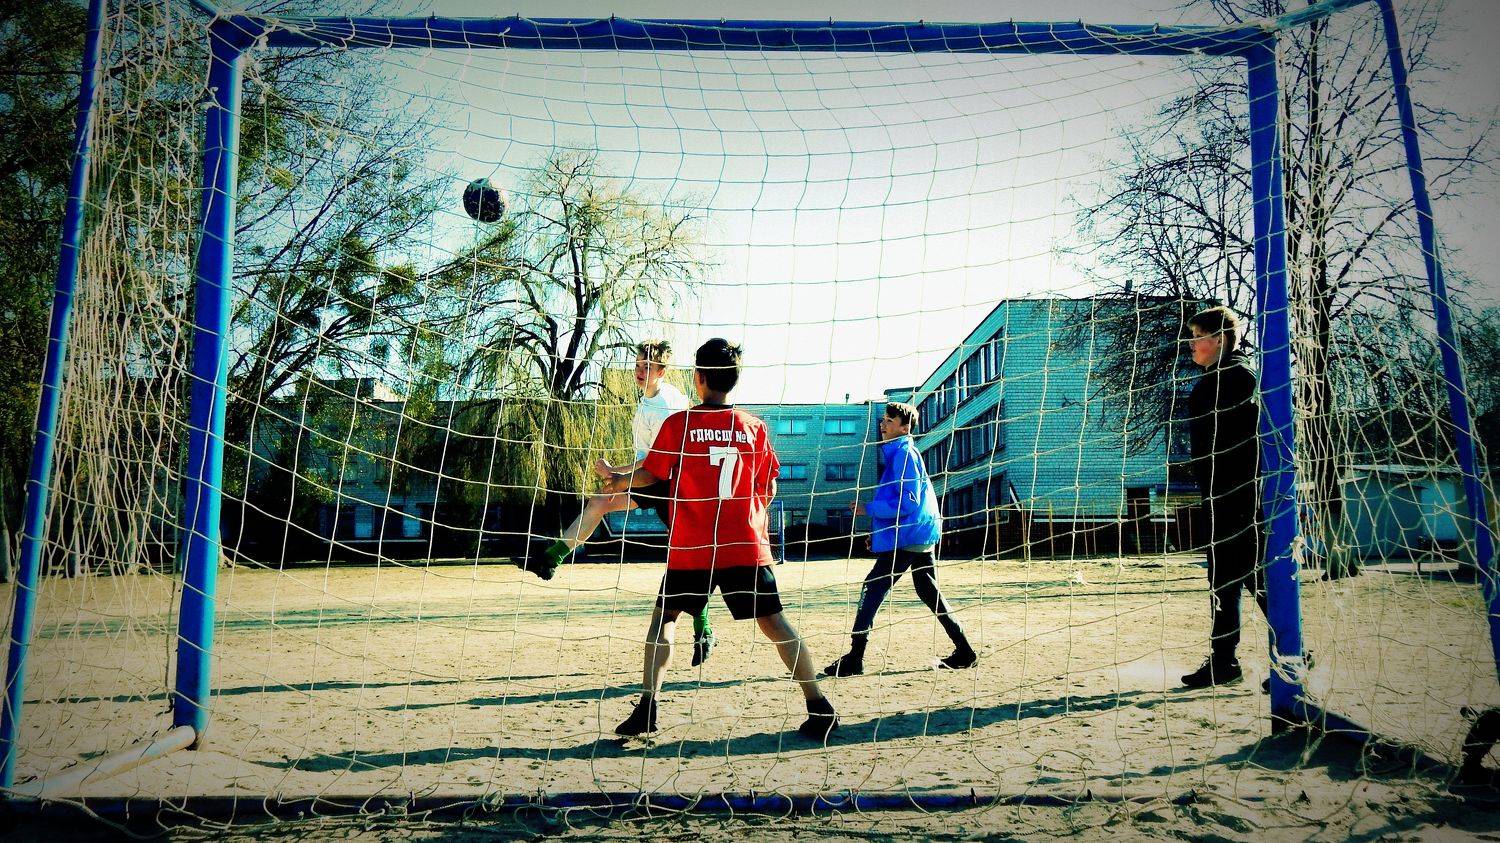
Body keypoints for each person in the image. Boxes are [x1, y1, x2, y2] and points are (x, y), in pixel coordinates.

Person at [602, 338, 838, 739]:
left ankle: (648, 708)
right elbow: (769, 486)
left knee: (666, 618)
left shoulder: (680, 424)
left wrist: (617, 479)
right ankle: (819, 705)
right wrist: (748, 513)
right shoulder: (754, 427)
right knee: (774, 622)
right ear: (733, 380)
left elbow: (652, 474)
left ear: (698, 378)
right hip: (744, 543)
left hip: (693, 544)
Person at [513, 339, 716, 666]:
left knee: (685, 560)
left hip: (672, 484)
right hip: (656, 479)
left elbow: (660, 461)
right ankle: (550, 559)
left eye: (647, 367)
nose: (639, 371)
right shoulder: (651, 398)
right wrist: (618, 473)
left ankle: (703, 629)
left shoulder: (665, 405)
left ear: (661, 371)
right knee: (600, 502)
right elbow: (650, 459)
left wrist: (618, 473)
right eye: (637, 365)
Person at [822, 401, 975, 677]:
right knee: (928, 591)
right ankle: (965, 651)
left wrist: (867, 509)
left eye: (889, 421)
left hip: (910, 535)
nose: (883, 425)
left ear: (905, 428)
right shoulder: (899, 453)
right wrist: (880, 537)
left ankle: (855, 657)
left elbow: (908, 503)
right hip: (917, 534)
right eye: (883, 420)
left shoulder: (904, 454)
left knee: (872, 587)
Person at [1180, 306, 1269, 690]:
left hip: (1238, 494)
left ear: (1218, 339)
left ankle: (1293, 653)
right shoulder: (1219, 377)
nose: (1191, 344)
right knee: (1227, 578)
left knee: (1250, 573)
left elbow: (1243, 440)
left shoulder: (1236, 376)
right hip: (1221, 493)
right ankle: (1224, 661)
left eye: (1197, 336)